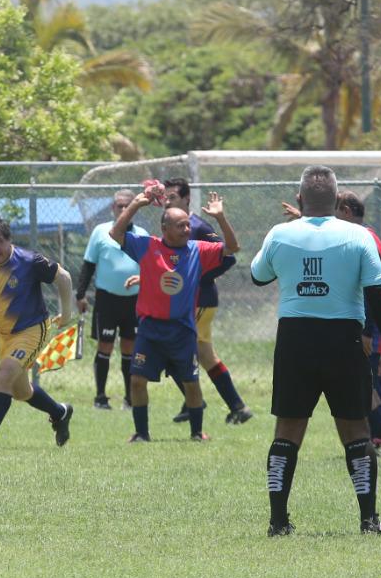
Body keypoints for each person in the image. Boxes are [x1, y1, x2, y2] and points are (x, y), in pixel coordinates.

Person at [253, 166, 381, 535]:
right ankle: (368, 520)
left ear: (300, 200)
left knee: (287, 429)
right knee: (355, 430)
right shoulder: (358, 236)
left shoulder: (279, 234)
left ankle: (277, 521)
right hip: (344, 342)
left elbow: (258, 275)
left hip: (294, 341)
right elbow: (378, 295)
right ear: (337, 201)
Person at [109, 188, 239, 443]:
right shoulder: (147, 246)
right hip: (150, 329)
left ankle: (196, 433)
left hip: (182, 330)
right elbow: (116, 233)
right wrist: (136, 203)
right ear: (164, 228)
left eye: (188, 225)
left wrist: (221, 218)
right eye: (181, 226)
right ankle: (142, 433)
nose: (187, 230)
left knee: (190, 382)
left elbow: (232, 248)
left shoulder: (198, 250)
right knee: (137, 380)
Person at [283, 191, 381, 453]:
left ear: (347, 212)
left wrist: (367, 331)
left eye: (333, 211)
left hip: (374, 317)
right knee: (362, 381)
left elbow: (372, 291)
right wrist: (305, 217)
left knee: (360, 383)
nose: (328, 217)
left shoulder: (362, 239)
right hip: (371, 316)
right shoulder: (356, 235)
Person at [0, 217, 76, 451]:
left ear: (9, 240)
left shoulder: (28, 261)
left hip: (33, 329)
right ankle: (60, 412)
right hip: (5, 335)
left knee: (3, 376)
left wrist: (66, 314)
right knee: (21, 391)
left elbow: (63, 277)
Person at [162, 177, 255, 427]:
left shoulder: (197, 226)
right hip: (190, 300)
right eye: (165, 197)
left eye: (172, 197)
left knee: (172, 350)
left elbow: (229, 258)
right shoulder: (174, 225)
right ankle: (236, 406)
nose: (166, 201)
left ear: (186, 198)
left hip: (200, 300)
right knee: (204, 355)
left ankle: (197, 401)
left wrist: (197, 278)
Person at [76, 189, 148, 410]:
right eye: (120, 206)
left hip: (134, 301)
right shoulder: (101, 231)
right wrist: (80, 295)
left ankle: (129, 398)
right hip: (106, 300)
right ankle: (100, 398)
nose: (124, 209)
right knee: (104, 346)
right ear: (112, 208)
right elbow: (88, 265)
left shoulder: (142, 233)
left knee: (130, 348)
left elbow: (150, 267)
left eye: (128, 205)